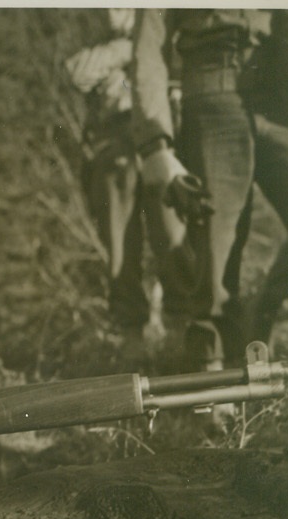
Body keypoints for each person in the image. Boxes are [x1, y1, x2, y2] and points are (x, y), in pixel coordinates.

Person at [131, 9, 288, 370]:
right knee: (217, 262)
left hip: (281, 92)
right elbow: (148, 47)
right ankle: (216, 397)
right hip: (213, 94)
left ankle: (260, 324)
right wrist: (156, 143)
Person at [65, 9, 187, 366]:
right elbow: (77, 72)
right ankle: (131, 336)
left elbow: (174, 61)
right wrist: (131, 46)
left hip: (163, 136)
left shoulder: (166, 18)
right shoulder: (88, 25)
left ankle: (180, 334)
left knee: (173, 232)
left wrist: (131, 50)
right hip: (114, 139)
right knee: (120, 246)